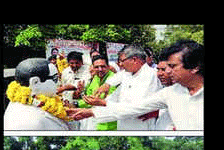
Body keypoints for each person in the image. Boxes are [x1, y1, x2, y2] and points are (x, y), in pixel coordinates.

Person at [67, 39, 204, 131]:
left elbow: (138, 108)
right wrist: (92, 111)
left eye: (172, 66)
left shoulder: (149, 76)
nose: (166, 72)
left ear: (194, 67)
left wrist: (100, 105)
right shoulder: (170, 93)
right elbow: (134, 108)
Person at [79, 45, 162, 130]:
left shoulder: (150, 76)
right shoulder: (128, 73)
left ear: (134, 60)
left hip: (140, 126)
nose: (120, 64)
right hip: (123, 125)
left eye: (122, 61)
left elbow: (135, 109)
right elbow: (115, 95)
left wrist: (102, 104)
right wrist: (105, 89)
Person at [79, 55, 118, 130]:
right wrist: (76, 103)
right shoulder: (96, 78)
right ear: (93, 68)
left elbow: (105, 101)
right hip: (95, 119)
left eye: (103, 66)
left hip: (109, 123)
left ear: (108, 67)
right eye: (96, 67)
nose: (100, 69)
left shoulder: (113, 79)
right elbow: (90, 97)